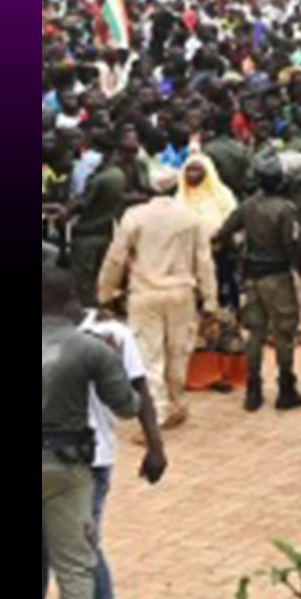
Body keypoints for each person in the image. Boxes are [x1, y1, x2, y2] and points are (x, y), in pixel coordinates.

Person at [43, 265, 163, 599]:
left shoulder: (112, 333)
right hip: (76, 461)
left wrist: (156, 445)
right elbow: (130, 403)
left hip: (90, 460)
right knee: (77, 557)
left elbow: (139, 388)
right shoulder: (98, 344)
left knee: (75, 551)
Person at [96, 166, 215, 429]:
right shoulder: (191, 218)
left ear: (148, 188)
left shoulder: (134, 216)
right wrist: (210, 301)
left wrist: (105, 293)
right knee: (178, 352)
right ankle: (177, 403)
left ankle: (158, 412)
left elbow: (117, 258)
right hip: (182, 293)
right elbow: (204, 262)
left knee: (149, 356)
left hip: (145, 294)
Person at [214, 152, 301, 412]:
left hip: (252, 277)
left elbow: (223, 232)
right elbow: (292, 249)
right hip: (277, 276)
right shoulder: (285, 209)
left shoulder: (248, 205)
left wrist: (237, 255)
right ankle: (285, 388)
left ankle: (253, 389)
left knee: (254, 333)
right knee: (283, 333)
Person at [65, 126, 138, 309]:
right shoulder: (119, 175)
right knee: (99, 276)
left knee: (84, 282)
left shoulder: (102, 178)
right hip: (105, 232)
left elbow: (82, 205)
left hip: (86, 234)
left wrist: (65, 212)